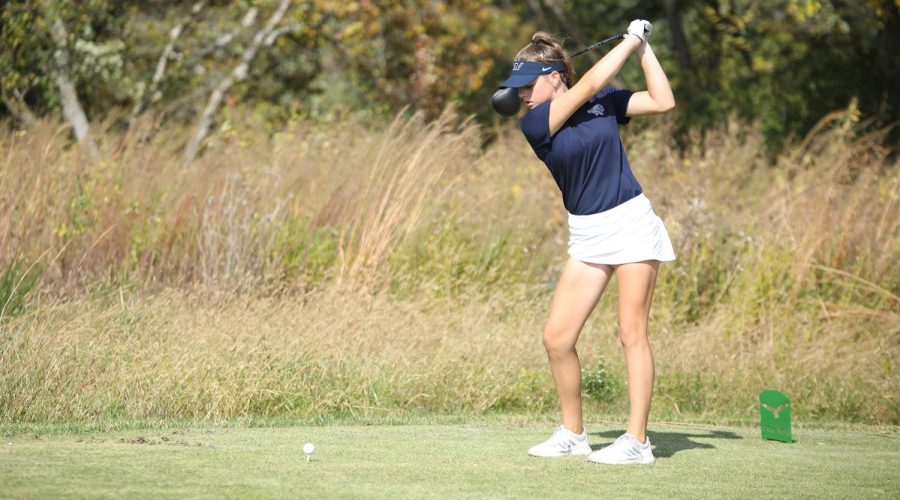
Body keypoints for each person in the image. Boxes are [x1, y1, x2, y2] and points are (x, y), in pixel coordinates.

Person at [498, 20, 676, 465]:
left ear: (555, 75)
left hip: (631, 221)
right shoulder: (536, 123)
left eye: (527, 84)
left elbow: (662, 100)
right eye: (517, 87)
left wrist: (642, 49)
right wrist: (629, 39)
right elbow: (594, 77)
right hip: (588, 234)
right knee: (557, 338)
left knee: (631, 332)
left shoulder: (601, 104)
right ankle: (573, 433)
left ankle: (637, 442)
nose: (521, 94)